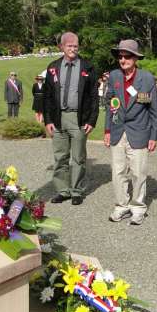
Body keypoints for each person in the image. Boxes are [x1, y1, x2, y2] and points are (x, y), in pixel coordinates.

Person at [104, 39, 157, 225]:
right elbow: (109, 106)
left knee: (138, 172)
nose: (123, 59)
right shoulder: (113, 77)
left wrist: (154, 136)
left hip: (140, 132)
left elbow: (154, 112)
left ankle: (138, 208)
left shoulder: (147, 78)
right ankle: (121, 206)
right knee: (118, 172)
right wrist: (106, 130)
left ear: (135, 58)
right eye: (120, 56)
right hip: (118, 131)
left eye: (127, 56)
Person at [44, 32, 99, 205]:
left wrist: (91, 121)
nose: (73, 49)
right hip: (58, 118)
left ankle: (76, 191)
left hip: (78, 118)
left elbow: (93, 97)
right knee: (60, 156)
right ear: (61, 47)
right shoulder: (52, 67)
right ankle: (63, 190)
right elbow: (47, 96)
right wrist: (48, 120)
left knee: (78, 157)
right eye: (69, 46)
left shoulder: (87, 67)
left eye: (75, 46)